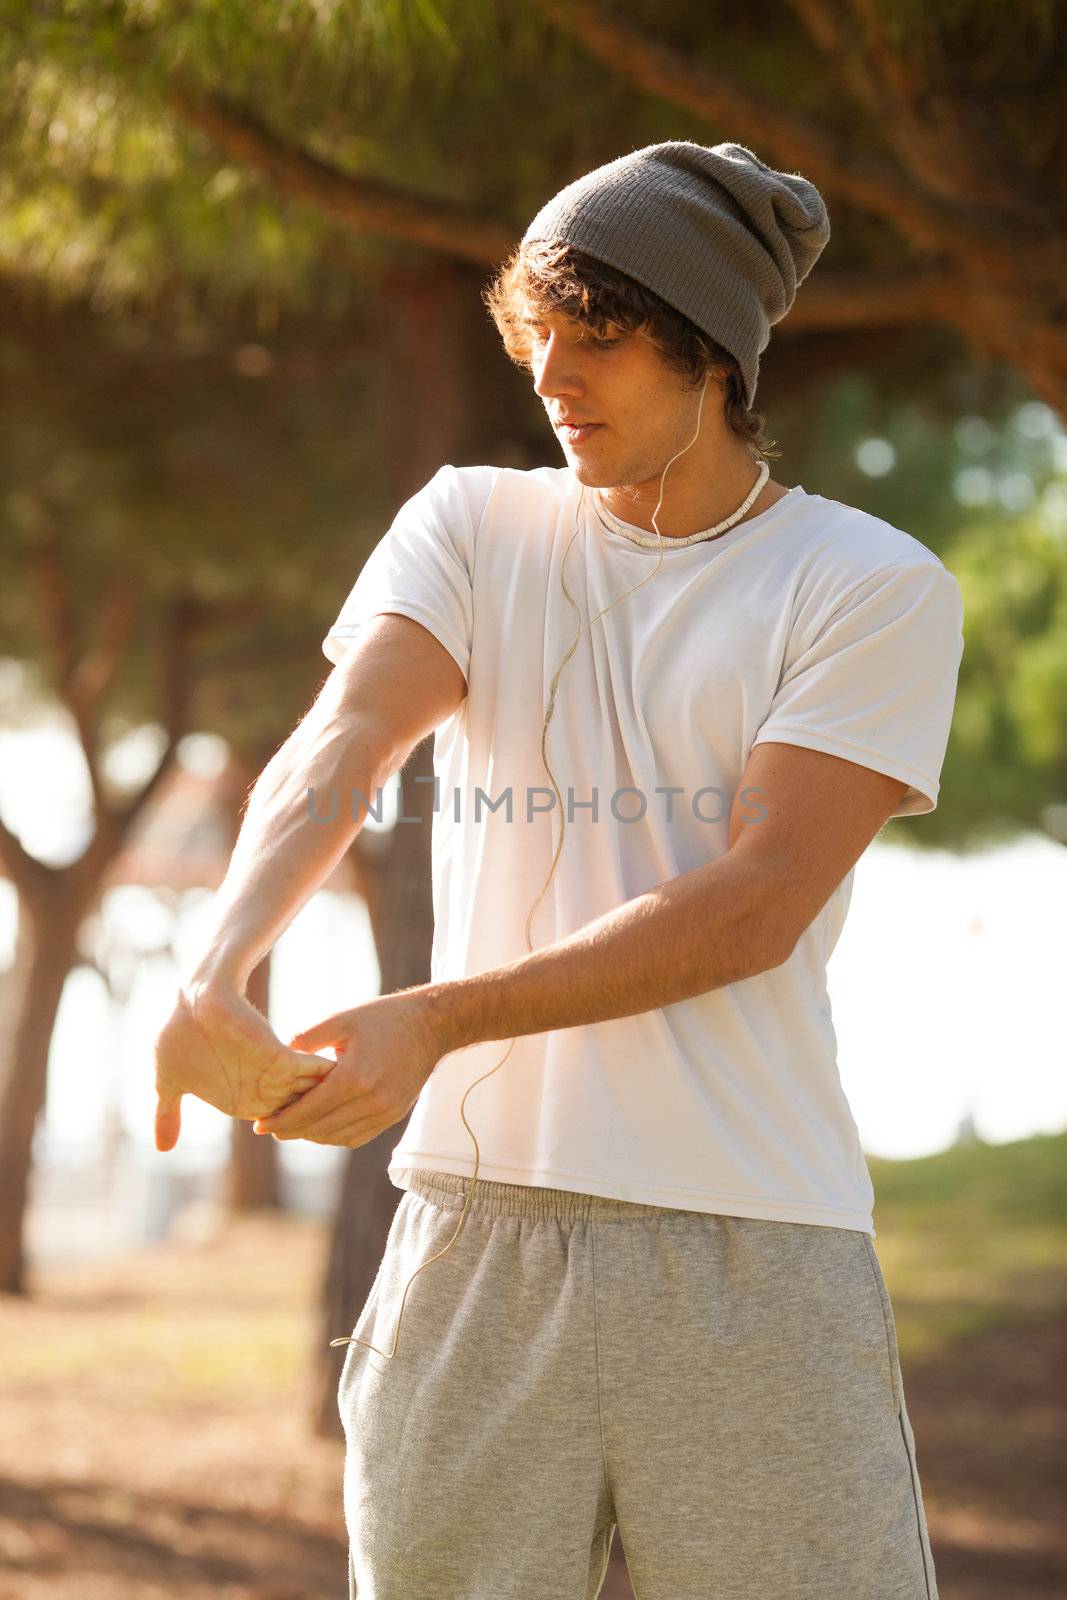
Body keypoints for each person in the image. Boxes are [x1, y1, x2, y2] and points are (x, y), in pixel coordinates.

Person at [153, 141, 962, 1599]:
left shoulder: (870, 585)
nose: (551, 383)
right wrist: (215, 966)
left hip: (751, 1246)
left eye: (596, 343)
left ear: (711, 350)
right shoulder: (473, 523)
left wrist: (442, 1015)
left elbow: (756, 903)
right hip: (474, 1233)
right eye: (537, 345)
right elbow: (342, 742)